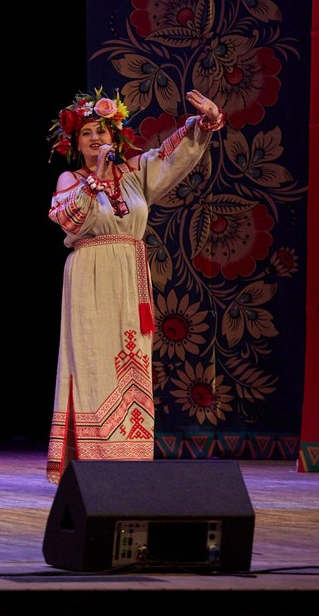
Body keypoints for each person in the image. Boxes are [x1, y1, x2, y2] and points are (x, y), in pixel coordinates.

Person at [44, 87, 224, 483]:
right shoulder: (70, 179)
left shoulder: (134, 174)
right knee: (93, 362)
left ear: (115, 137)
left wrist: (204, 123)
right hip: (90, 275)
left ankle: (129, 460)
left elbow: (170, 157)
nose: (96, 138)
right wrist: (97, 176)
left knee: (130, 361)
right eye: (87, 133)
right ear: (76, 144)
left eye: (102, 131)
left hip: (128, 276)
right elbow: (72, 218)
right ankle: (90, 462)